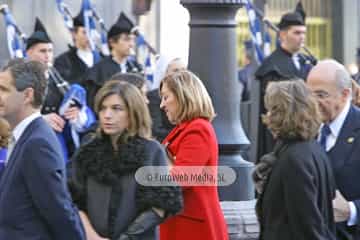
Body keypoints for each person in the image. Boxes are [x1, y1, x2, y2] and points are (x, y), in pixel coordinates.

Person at [69, 81, 182, 240]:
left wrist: (127, 237)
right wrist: (93, 237)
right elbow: (74, 200)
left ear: (133, 112)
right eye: (103, 108)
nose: (107, 115)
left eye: (116, 108)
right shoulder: (88, 150)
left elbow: (160, 205)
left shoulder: (151, 151)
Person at [0, 58, 85, 239]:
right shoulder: (24, 136)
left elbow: (59, 211)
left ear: (27, 95)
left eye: (4, 89)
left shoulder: (37, 143)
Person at [253, 80, 336, 240]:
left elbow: (308, 227)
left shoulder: (293, 158)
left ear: (281, 114)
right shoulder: (313, 149)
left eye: (271, 110)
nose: (267, 116)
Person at [159, 70, 228, 240]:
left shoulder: (198, 129)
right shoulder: (184, 129)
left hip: (193, 228)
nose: (162, 105)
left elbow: (181, 179)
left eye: (166, 97)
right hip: (183, 223)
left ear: (183, 96)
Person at [26, 18, 94, 161]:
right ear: (29, 53)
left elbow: (85, 115)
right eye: (42, 51)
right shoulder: (18, 81)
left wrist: (76, 112)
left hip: (58, 143)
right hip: (28, 143)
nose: (48, 55)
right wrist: (41, 119)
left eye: (50, 51)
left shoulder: (60, 80)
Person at [307, 59, 360, 240]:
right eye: (309, 94)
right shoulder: (305, 128)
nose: (313, 103)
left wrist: (352, 210)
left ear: (345, 95)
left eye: (321, 95)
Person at [254, 2, 313, 161]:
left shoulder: (305, 62)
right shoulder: (272, 68)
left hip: (305, 137)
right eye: (297, 33)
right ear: (282, 35)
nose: (302, 37)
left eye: (304, 33)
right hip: (280, 142)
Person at [84, 12, 142, 110]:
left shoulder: (136, 68)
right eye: (127, 39)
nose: (131, 44)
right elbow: (93, 104)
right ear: (112, 42)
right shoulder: (98, 70)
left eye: (133, 40)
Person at [148, 55, 186, 142]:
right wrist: (183, 134)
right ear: (165, 72)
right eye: (176, 70)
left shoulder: (189, 96)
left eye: (184, 70)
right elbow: (155, 130)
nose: (181, 74)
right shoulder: (154, 96)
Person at [54, 10, 95, 85]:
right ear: (74, 34)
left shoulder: (100, 59)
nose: (89, 37)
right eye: (84, 32)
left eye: (91, 33)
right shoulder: (63, 61)